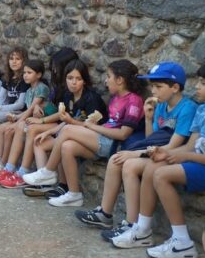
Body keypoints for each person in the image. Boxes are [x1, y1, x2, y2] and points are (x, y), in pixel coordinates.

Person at [127, 61, 205, 258]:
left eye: (203, 83)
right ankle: (142, 229)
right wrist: (165, 154)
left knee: (162, 175)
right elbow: (189, 147)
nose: (196, 87)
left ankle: (182, 242)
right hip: (203, 162)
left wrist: (185, 156)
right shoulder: (203, 110)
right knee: (154, 165)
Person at [75, 62, 198, 239]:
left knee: (129, 165)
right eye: (152, 86)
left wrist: (134, 153)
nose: (153, 91)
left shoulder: (187, 108)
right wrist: (148, 118)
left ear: (175, 87)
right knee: (116, 159)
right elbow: (151, 138)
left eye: (158, 87)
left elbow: (172, 146)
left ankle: (132, 223)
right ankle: (104, 214)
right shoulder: (161, 106)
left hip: (171, 155)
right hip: (156, 151)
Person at [23, 59, 145, 206]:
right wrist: (93, 126)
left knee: (67, 129)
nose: (106, 81)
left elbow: (123, 134)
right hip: (102, 140)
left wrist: (92, 127)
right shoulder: (116, 98)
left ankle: (48, 171)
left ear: (119, 80)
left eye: (108, 76)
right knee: (67, 146)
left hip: (114, 145)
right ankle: (74, 194)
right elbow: (110, 124)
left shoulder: (134, 101)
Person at [0, 58, 104, 190]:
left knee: (49, 135)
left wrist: (43, 121)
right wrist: (49, 131)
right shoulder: (68, 95)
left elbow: (86, 125)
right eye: (70, 78)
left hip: (90, 139)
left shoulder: (91, 98)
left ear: (84, 80)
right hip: (65, 130)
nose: (73, 82)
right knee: (39, 141)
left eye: (78, 79)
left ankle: (33, 172)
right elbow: (66, 118)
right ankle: (43, 182)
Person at [0, 57, 47, 173]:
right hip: (28, 117)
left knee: (9, 130)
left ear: (38, 75)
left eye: (29, 73)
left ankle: (6, 165)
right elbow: (28, 110)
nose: (25, 75)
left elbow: (31, 109)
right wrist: (15, 117)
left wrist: (17, 121)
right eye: (25, 73)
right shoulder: (29, 90)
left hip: (40, 120)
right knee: (1, 128)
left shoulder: (41, 88)